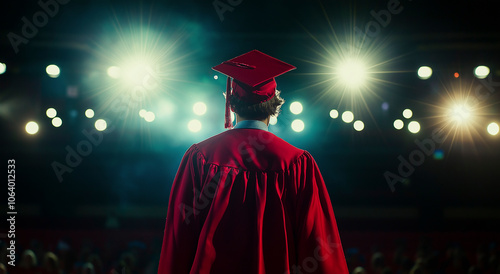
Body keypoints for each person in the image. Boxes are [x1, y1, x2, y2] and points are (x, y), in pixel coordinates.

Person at [158, 50, 348, 274]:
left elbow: (179, 239)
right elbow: (316, 243)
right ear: (275, 104)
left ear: (231, 104)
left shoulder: (201, 157)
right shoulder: (297, 163)